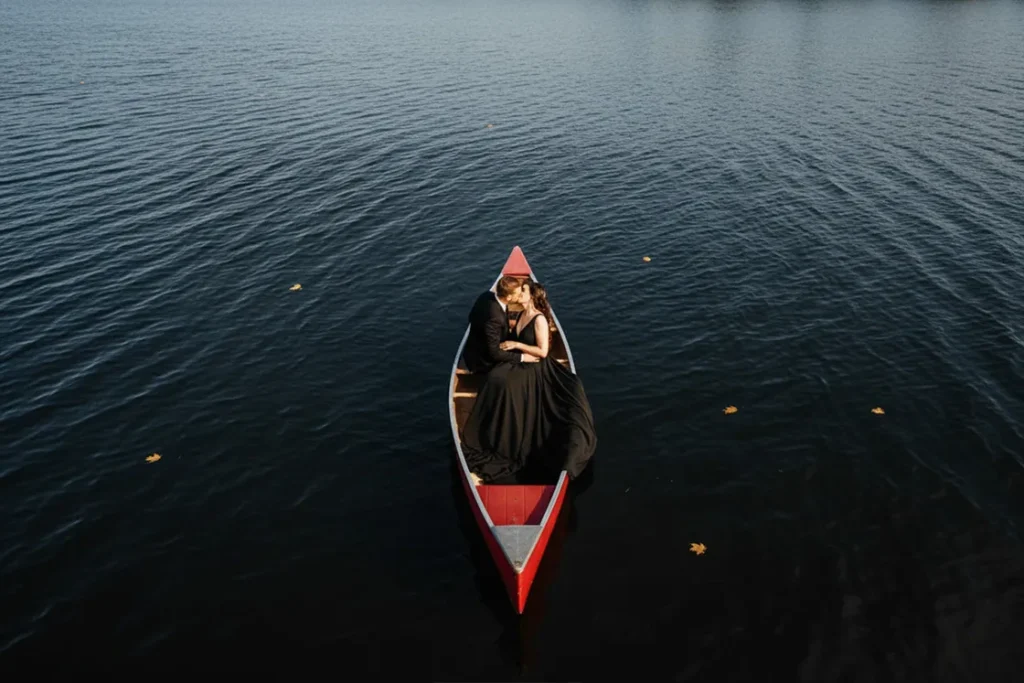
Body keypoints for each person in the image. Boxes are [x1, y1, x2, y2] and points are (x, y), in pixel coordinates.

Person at [461, 281, 597, 485]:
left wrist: (516, 343)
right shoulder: (522, 313)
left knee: (503, 382)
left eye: (523, 291)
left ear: (531, 296)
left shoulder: (539, 319)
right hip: (521, 360)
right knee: (495, 378)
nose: (518, 295)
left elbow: (542, 352)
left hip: (536, 366)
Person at [462, 275, 538, 374]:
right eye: (519, 294)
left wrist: (503, 325)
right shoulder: (495, 318)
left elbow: (471, 317)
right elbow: (495, 353)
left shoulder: (486, 295)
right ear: (509, 297)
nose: (521, 296)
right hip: (483, 361)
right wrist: (523, 357)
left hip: (474, 347)